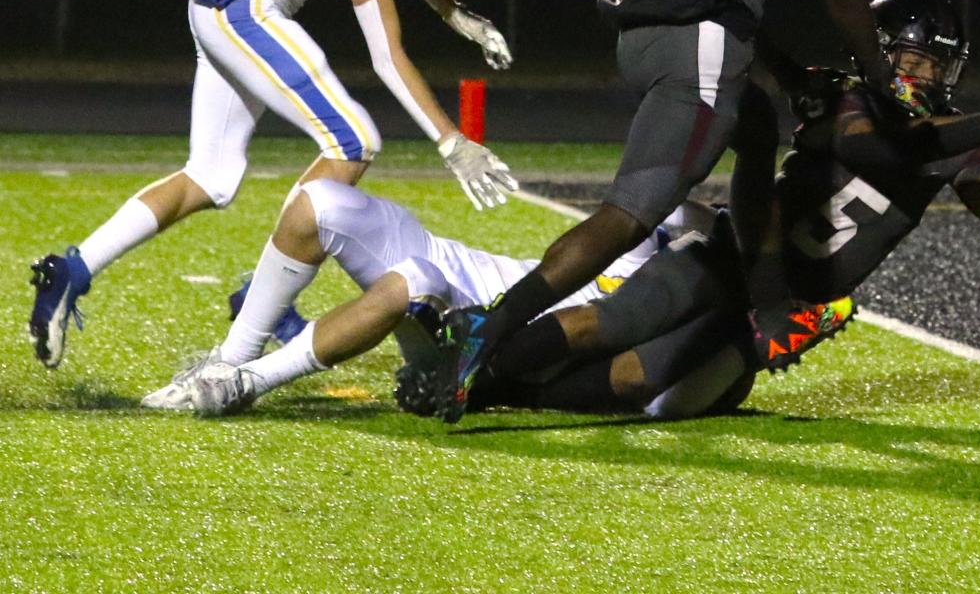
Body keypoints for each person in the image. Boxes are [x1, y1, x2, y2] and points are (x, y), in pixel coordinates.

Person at [428, 0, 894, 421]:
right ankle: (493, 328)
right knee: (630, 214)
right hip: (696, 33)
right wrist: (878, 76)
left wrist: (791, 78)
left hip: (645, 31)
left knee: (757, 122)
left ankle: (767, 305)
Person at [29, 0, 518, 371]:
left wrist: (455, 14)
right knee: (354, 139)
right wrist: (452, 142)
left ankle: (71, 270)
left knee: (212, 175)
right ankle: (255, 312)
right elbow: (386, 55)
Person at [453, 0, 980, 418]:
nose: (922, 75)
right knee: (610, 322)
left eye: (934, 65)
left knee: (636, 384)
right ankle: (471, 370)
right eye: (910, 61)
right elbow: (872, 151)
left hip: (775, 314)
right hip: (734, 259)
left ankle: (511, 390)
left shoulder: (952, 139)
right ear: (881, 57)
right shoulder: (849, 99)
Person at [144, 179, 685, 414]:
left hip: (473, 332)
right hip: (472, 267)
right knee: (320, 204)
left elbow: (647, 382)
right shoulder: (683, 221)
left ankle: (244, 384)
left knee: (415, 278)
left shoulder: (694, 294)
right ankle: (227, 362)